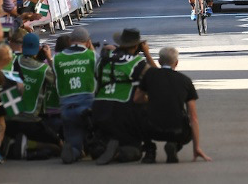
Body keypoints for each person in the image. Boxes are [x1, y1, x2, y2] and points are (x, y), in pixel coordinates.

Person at [134, 46, 210, 163]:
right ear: (177, 62)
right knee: (186, 122)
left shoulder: (149, 75)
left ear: (159, 61)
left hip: (151, 128)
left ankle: (150, 150)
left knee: (139, 111)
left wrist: (152, 100)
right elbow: (193, 117)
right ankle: (175, 144)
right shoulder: (185, 81)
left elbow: (137, 99)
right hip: (178, 130)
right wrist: (196, 147)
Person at [92, 28, 156, 165]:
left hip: (100, 109)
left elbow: (96, 77)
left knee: (101, 144)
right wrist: (147, 53)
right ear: (136, 46)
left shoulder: (103, 59)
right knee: (134, 151)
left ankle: (102, 147)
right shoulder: (137, 62)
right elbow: (157, 77)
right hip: (123, 111)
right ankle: (119, 151)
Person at [52, 27, 96, 164]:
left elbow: (56, 80)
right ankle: (94, 148)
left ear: (70, 41)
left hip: (67, 106)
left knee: (73, 138)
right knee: (96, 133)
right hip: (88, 105)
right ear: (88, 42)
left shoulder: (57, 58)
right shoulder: (92, 56)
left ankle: (74, 150)